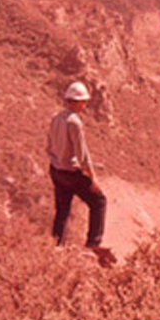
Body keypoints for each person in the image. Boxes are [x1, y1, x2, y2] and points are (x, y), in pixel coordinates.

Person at [46, 81, 109, 255]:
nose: (85, 105)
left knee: (62, 210)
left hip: (56, 170)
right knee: (99, 202)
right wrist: (92, 177)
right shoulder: (74, 122)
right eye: (83, 102)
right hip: (71, 173)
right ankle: (93, 243)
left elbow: (49, 147)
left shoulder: (55, 118)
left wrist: (56, 163)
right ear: (75, 102)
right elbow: (82, 154)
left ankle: (56, 245)